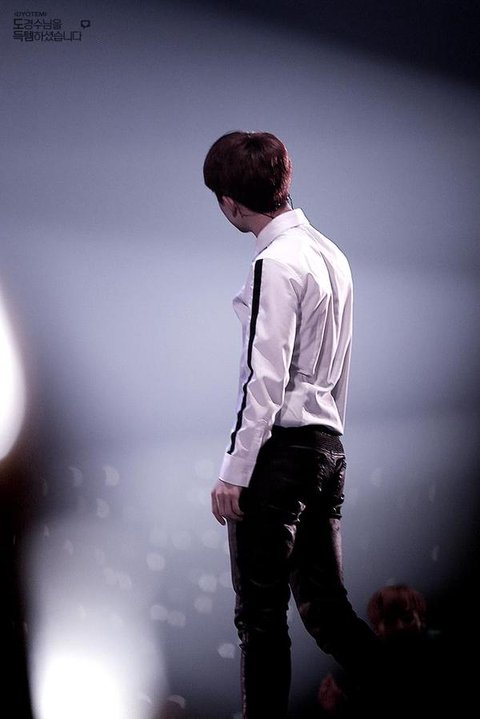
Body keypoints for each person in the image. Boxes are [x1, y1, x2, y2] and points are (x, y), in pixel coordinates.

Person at [203, 131, 381, 719]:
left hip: (279, 456)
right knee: (328, 610)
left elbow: (264, 379)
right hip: (326, 448)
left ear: (230, 202)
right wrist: (330, 444)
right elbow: (342, 367)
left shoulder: (273, 262)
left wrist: (235, 471)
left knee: (260, 618)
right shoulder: (332, 255)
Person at [317, 583, 446, 718]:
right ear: (377, 629)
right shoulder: (373, 667)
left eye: (407, 618)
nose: (400, 626)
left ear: (421, 620)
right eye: (390, 621)